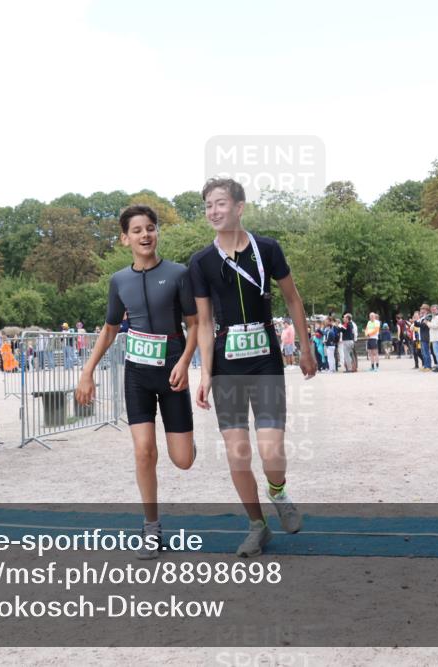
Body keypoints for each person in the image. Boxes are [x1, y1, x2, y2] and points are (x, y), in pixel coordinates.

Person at [191, 177, 315, 557]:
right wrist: (206, 372)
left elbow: (292, 299)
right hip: (227, 362)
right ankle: (256, 525)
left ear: (239, 207)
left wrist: (306, 347)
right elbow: (204, 323)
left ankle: (277, 490)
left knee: (271, 451)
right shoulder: (201, 261)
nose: (214, 211)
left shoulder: (268, 249)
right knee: (237, 453)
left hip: (265, 359)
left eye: (221, 203)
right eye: (209, 205)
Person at [76, 205, 199, 560]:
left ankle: (188, 447)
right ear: (124, 238)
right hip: (138, 375)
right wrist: (88, 370)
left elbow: (194, 324)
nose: (145, 235)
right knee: (144, 451)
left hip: (172, 372)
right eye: (137, 230)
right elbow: (111, 328)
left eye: (151, 228)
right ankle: (151, 527)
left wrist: (187, 362)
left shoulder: (178, 274)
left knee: (182, 461)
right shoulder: (119, 281)